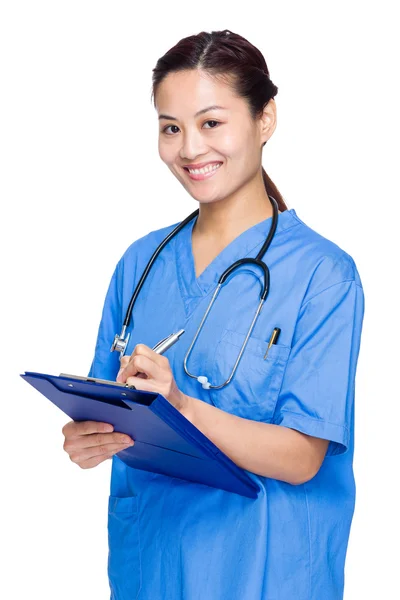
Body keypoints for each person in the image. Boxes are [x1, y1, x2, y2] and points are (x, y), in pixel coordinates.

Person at [62, 29, 365, 600]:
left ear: (265, 119)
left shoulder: (323, 275)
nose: (190, 149)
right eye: (170, 128)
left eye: (211, 122)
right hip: (150, 567)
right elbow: (109, 406)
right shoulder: (141, 263)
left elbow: (303, 458)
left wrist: (182, 406)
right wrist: (86, 439)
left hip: (263, 572)